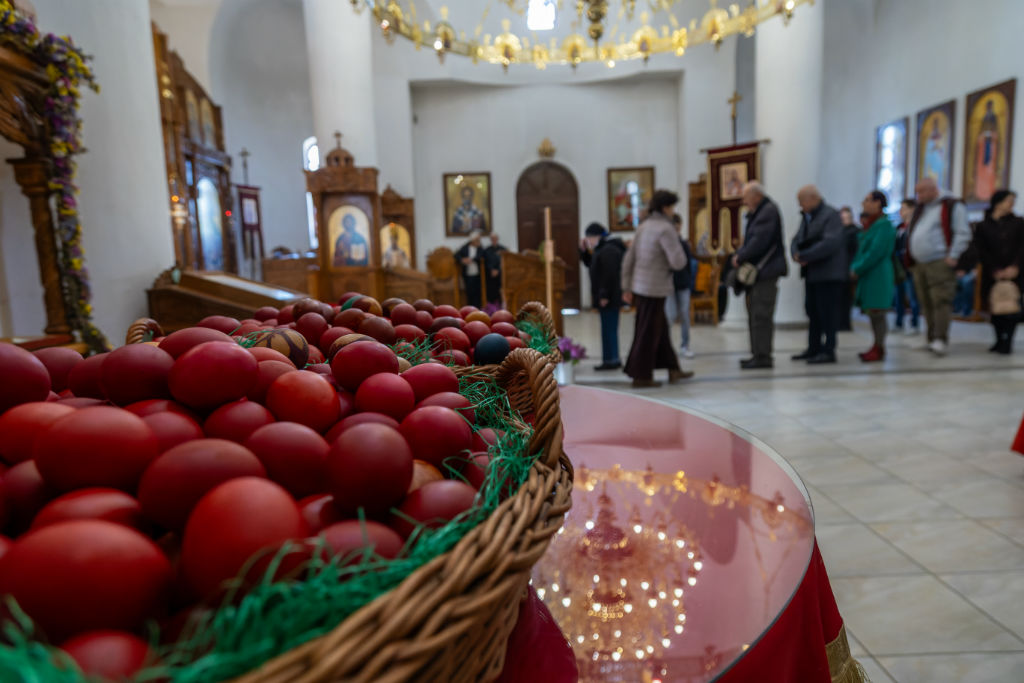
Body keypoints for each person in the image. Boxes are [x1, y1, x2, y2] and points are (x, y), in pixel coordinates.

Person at [621, 190, 693, 388]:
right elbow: (678, 262)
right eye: (672, 207)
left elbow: (629, 258)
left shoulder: (643, 227)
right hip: (655, 287)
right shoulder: (666, 229)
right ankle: (641, 376)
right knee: (648, 333)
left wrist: (626, 286)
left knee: (660, 331)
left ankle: (673, 369)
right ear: (665, 207)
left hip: (641, 286)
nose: (673, 211)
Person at [906, 177, 971, 355]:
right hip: (920, 264)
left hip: (939, 262)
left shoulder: (951, 205)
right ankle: (930, 337)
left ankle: (940, 339)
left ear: (933, 189)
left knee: (941, 301)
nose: (918, 196)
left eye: (921, 192)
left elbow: (963, 232)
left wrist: (953, 255)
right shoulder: (922, 207)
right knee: (925, 302)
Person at [958, 190, 1024, 354]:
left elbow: (1022, 247)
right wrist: (994, 269)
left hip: (1015, 272)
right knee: (994, 307)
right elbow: (981, 250)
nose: (1011, 204)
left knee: (1012, 308)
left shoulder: (1019, 222)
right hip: (992, 272)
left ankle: (1007, 341)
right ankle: (998, 339)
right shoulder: (983, 225)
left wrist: (1015, 267)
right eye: (1009, 200)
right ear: (998, 202)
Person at [732, 182, 788, 369]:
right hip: (761, 273)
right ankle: (757, 354)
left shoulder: (767, 212)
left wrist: (741, 256)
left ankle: (763, 356)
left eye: (746, 197)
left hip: (766, 272)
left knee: (761, 315)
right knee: (755, 314)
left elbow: (759, 241)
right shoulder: (761, 212)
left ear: (757, 196)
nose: (744, 201)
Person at [790, 186, 846, 364]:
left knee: (827, 313)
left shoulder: (831, 215)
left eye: (801, 202)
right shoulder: (807, 216)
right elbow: (796, 239)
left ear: (813, 198)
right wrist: (795, 253)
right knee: (812, 311)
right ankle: (813, 348)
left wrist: (805, 256)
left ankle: (828, 350)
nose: (800, 206)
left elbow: (830, 243)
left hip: (828, 274)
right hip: (812, 274)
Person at [850, 191, 897, 362]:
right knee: (872, 311)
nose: (863, 203)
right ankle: (876, 346)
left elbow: (875, 251)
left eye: (867, 200)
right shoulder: (872, 224)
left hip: (878, 274)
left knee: (878, 312)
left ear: (877, 203)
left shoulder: (884, 226)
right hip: (869, 273)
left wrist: (857, 268)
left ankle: (879, 347)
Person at [582, 223, 627, 370]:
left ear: (597, 236)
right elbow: (591, 264)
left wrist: (604, 295)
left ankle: (612, 360)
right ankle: (610, 359)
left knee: (609, 329)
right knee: (607, 328)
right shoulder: (603, 248)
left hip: (609, 297)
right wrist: (583, 252)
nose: (589, 241)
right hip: (607, 296)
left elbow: (609, 275)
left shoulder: (609, 250)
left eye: (589, 238)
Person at [665, 214, 697, 358]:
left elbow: (689, 265)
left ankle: (685, 345)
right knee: (670, 316)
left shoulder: (684, 244)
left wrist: (690, 283)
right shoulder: (665, 244)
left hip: (683, 284)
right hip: (669, 285)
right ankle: (667, 347)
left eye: (678, 227)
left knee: (684, 314)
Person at [893, 199, 921, 335]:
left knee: (912, 297)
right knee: (898, 297)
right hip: (899, 268)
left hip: (910, 267)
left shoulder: (916, 226)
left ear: (912, 209)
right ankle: (899, 323)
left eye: (904, 208)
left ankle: (915, 324)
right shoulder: (899, 227)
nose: (901, 211)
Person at [838, 206, 860, 331]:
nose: (845, 220)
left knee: (846, 299)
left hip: (849, 268)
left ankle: (845, 324)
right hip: (840, 269)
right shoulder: (839, 231)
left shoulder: (855, 232)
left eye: (847, 217)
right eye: (843, 218)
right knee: (840, 298)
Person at [455, 230, 486, 308]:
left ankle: (478, 309)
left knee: (478, 293)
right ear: (472, 240)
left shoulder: (480, 248)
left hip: (478, 275)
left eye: (479, 239)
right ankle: (470, 309)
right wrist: (462, 260)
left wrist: (471, 259)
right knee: (469, 293)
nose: (479, 241)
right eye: (477, 240)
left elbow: (482, 256)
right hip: (467, 275)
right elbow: (456, 255)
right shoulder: (465, 247)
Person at [483, 232, 507, 306]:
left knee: (500, 291)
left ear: (497, 239)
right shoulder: (486, 250)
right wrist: (491, 270)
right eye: (492, 238)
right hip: (490, 275)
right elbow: (485, 262)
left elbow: (505, 262)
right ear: (490, 240)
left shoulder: (503, 249)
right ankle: (491, 308)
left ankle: (501, 307)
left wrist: (498, 270)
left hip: (501, 275)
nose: (494, 240)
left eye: (495, 238)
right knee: (491, 291)